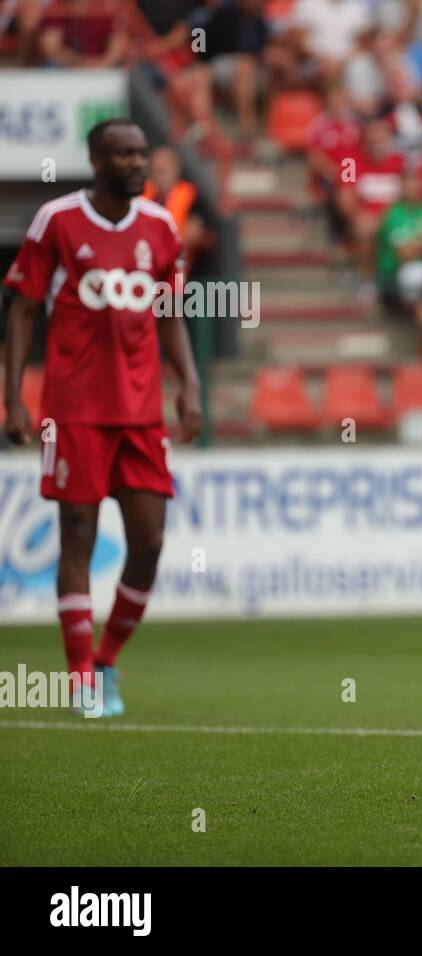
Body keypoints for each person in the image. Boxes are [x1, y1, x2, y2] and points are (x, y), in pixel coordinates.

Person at [2, 119, 203, 717]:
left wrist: (188, 382)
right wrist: (13, 396)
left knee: (150, 541)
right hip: (75, 409)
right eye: (125, 154)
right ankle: (81, 676)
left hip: (140, 413)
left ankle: (109, 658)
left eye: (142, 153)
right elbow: (22, 309)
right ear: (96, 159)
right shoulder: (57, 221)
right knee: (78, 540)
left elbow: (169, 313)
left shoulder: (162, 227)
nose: (138, 163)